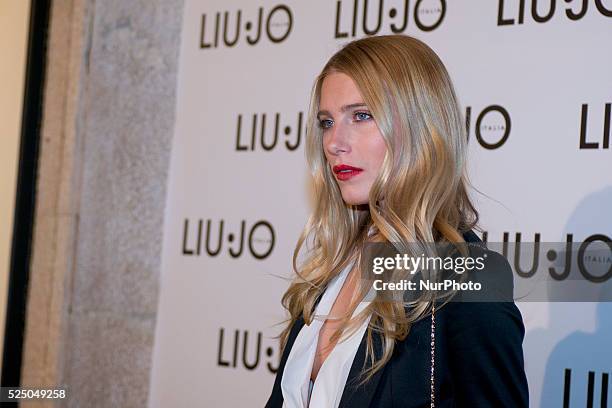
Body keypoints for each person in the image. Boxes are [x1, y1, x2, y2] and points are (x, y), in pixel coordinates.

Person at [265, 34, 529, 408]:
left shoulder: (468, 278)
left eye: (361, 116)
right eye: (327, 122)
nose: (334, 142)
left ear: (419, 127)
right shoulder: (332, 266)